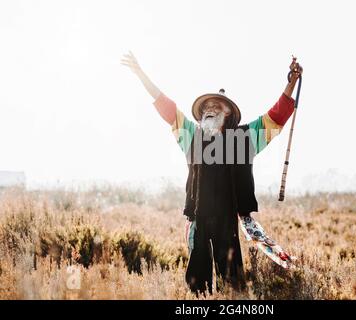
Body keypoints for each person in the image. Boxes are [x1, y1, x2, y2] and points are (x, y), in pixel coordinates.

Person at [121, 52, 302, 294]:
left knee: (232, 285)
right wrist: (141, 74)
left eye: (217, 106)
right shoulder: (192, 137)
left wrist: (291, 83)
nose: (210, 109)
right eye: (207, 106)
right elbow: (168, 109)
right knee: (197, 286)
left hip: (228, 221)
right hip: (198, 219)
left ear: (228, 115)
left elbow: (275, 117)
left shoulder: (244, 139)